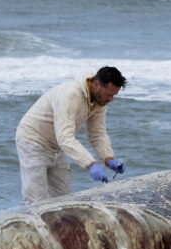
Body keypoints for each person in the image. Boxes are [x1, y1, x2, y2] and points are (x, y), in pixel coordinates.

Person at [14, 66, 127, 204]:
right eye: (109, 95)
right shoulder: (70, 94)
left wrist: (108, 159)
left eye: (113, 95)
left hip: (56, 146)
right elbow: (65, 137)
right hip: (33, 140)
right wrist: (90, 164)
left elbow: (97, 134)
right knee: (35, 200)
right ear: (96, 84)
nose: (111, 100)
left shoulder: (100, 101)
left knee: (63, 198)